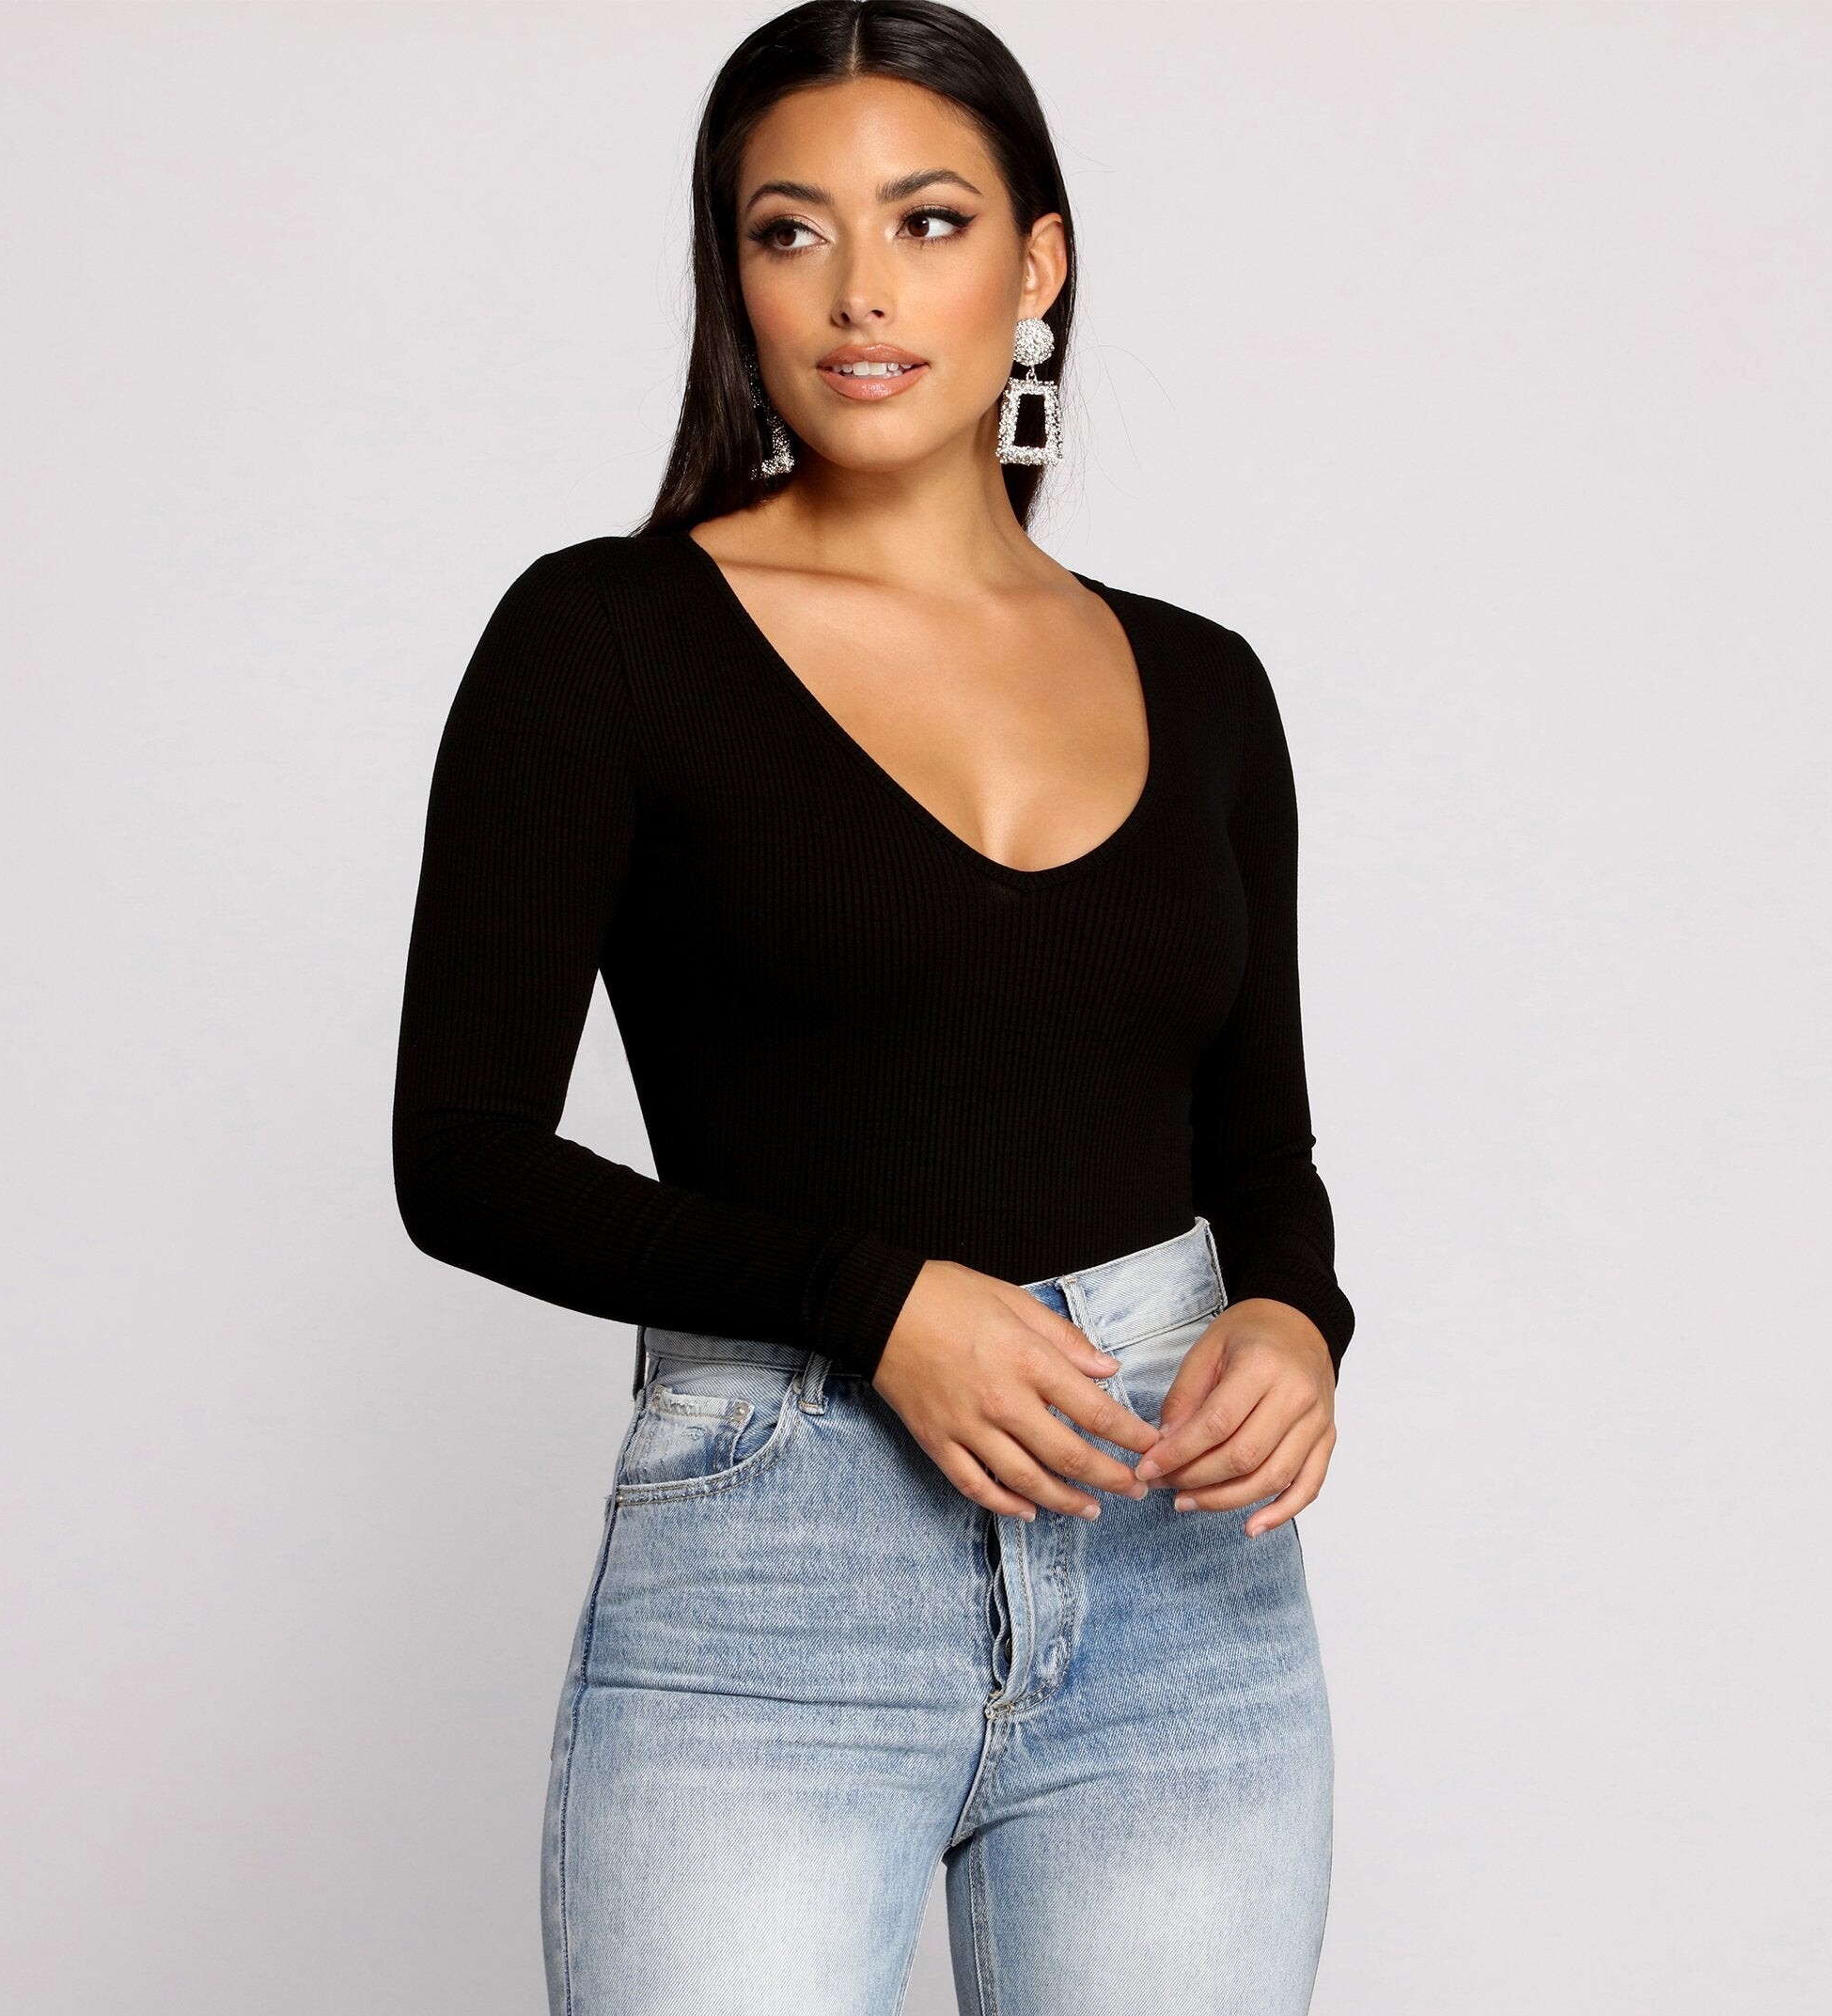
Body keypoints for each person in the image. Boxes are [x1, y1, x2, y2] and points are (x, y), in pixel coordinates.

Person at [392, 5, 1356, 2010]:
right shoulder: (603, 640)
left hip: (1179, 1568)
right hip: (777, 1567)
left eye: (926, 221)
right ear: (730, 274)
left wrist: (1289, 1315)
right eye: (788, 229)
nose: (857, 290)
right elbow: (459, 1156)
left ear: (1038, 261)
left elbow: (1256, 1146)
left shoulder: (1204, 684)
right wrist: (876, 1299)